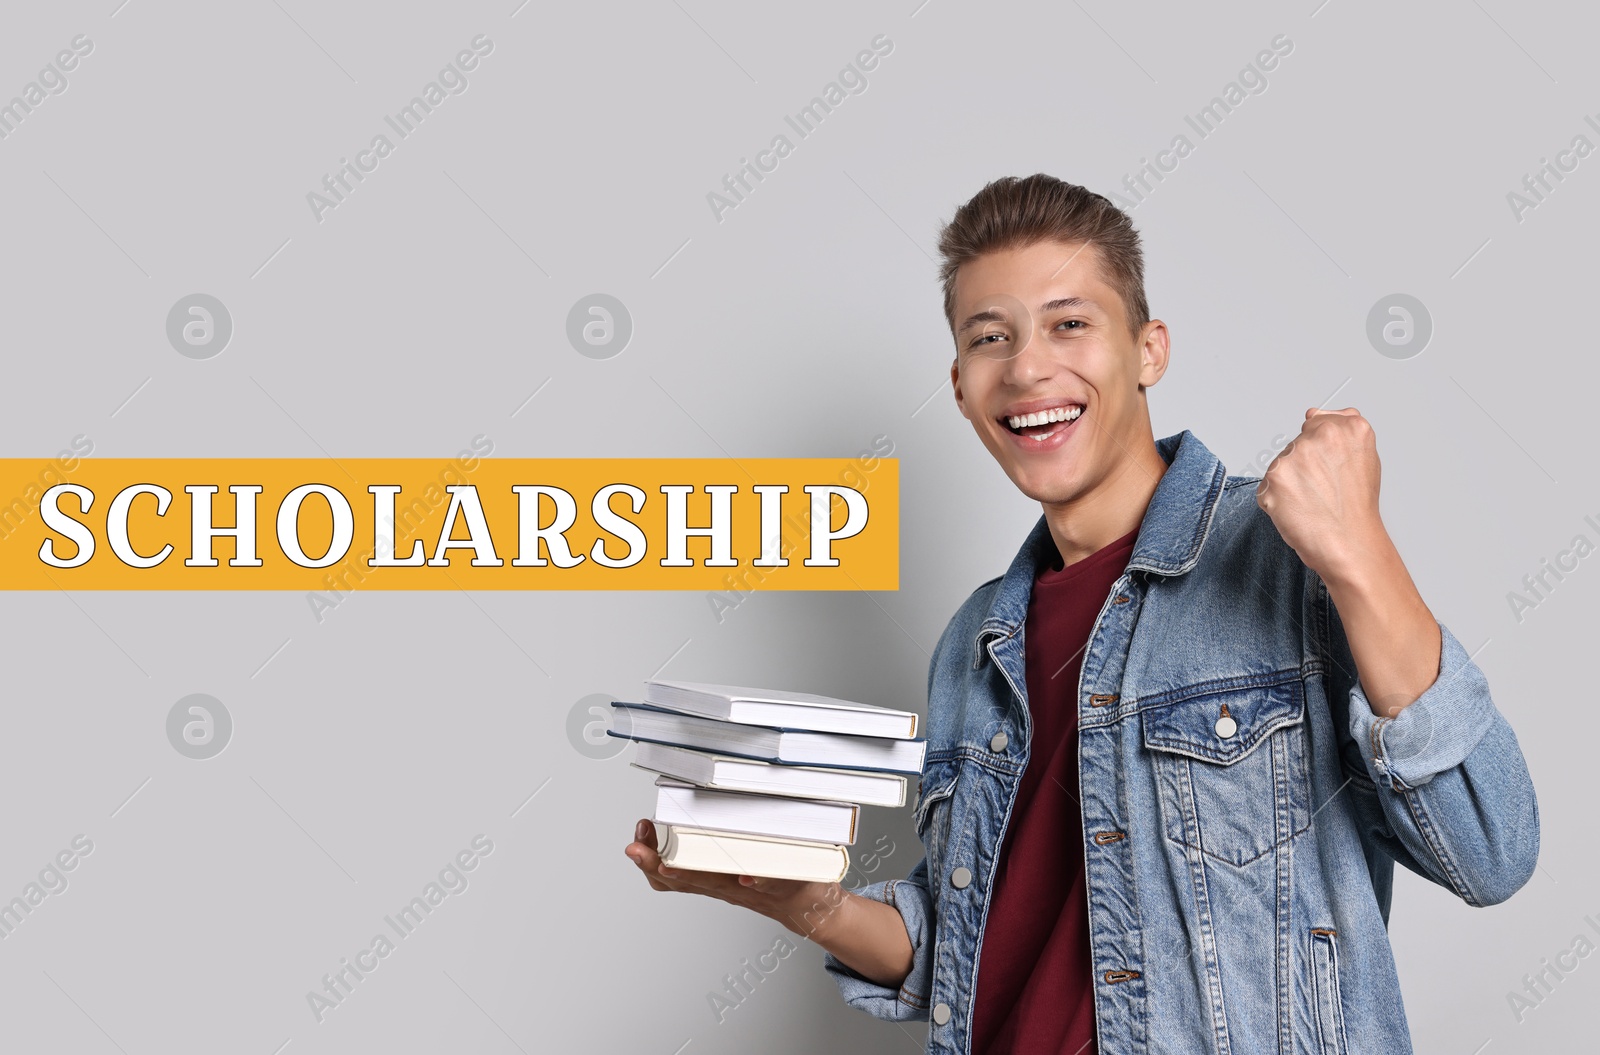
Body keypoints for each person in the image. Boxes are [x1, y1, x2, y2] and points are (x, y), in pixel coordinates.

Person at [624, 173, 1540, 1054]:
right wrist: (812, 905)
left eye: (1070, 323)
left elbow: (1491, 849)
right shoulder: (974, 645)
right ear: (959, 386)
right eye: (991, 338)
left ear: (1150, 350)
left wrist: (1362, 555)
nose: (1028, 367)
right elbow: (977, 950)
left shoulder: (1291, 556)